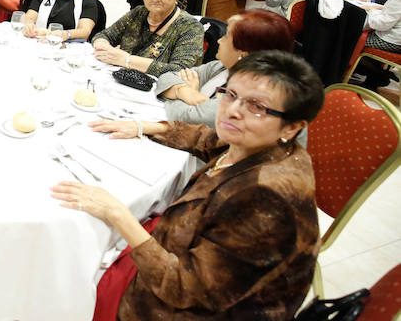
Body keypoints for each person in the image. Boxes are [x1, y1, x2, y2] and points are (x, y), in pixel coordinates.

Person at [55, 50, 322, 320]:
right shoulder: (263, 145)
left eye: (257, 107)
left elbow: (183, 288)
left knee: (69, 275)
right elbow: (208, 138)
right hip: (185, 249)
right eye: (230, 94)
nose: (233, 111)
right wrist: (144, 126)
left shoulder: (266, 198)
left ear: (291, 128)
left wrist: (118, 213)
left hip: (187, 308)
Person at [116, 11, 294, 131]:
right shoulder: (223, 67)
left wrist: (187, 96)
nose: (219, 41)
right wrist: (185, 91)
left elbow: (184, 117)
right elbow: (167, 77)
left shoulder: (253, 96)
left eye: (227, 36)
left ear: (244, 53)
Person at [93, 0, 203, 76]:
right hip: (123, 81)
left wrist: (127, 60)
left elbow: (180, 70)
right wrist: (103, 46)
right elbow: (105, 35)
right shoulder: (139, 13)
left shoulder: (190, 26)